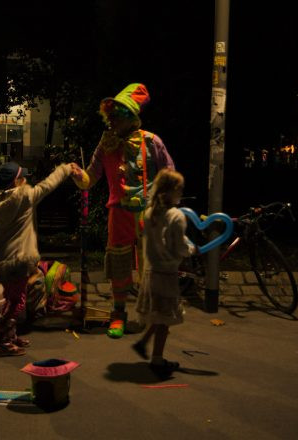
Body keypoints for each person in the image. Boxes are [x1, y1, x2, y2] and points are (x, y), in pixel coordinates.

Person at [72, 83, 175, 339]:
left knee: (146, 266)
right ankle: (118, 314)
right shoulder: (105, 144)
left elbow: (170, 175)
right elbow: (91, 177)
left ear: (131, 117)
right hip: (118, 212)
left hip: (147, 213)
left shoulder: (152, 141)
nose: (113, 121)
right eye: (112, 115)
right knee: (118, 264)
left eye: (118, 115)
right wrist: (76, 174)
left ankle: (144, 313)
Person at [0, 161, 78, 355]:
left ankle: (11, 335)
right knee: (17, 302)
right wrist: (66, 169)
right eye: (22, 177)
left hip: (5, 260)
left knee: (12, 297)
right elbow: (48, 185)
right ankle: (3, 341)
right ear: (16, 182)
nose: (25, 180)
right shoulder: (25, 197)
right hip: (20, 260)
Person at [132, 169, 195, 377]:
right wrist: (192, 249)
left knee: (158, 315)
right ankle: (157, 361)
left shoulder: (150, 212)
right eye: (179, 189)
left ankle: (143, 343)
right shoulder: (176, 216)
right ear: (169, 191)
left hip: (151, 271)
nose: (181, 192)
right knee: (165, 319)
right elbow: (178, 247)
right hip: (167, 274)